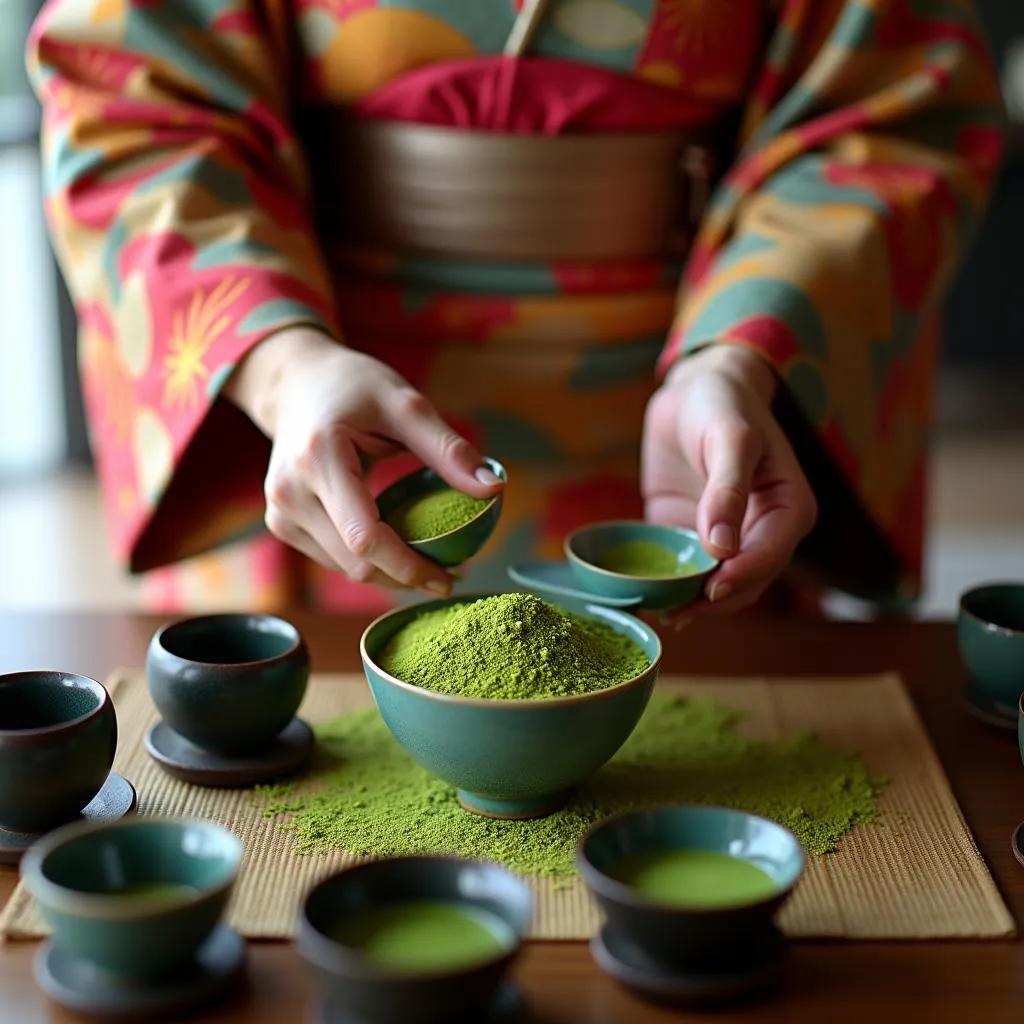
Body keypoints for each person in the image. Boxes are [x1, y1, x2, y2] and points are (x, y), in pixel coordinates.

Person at [27, 0, 1004, 620]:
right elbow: (133, 98)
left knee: (698, 723)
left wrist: (737, 355)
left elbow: (889, 113)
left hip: (692, 426)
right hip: (311, 429)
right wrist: (282, 366)